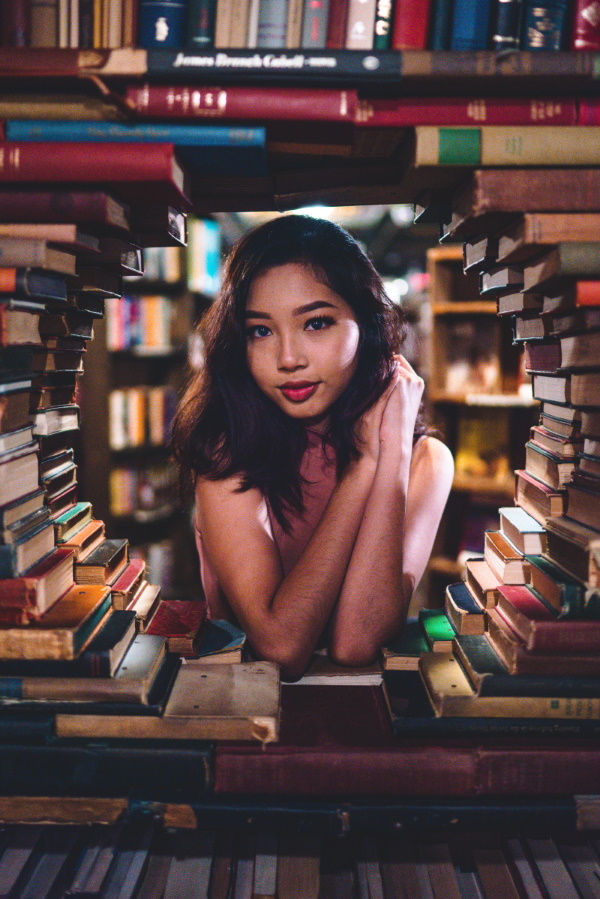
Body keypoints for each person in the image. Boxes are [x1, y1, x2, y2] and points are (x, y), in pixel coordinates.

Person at [172, 214, 454, 680]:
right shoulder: (228, 450)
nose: (288, 359)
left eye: (316, 323)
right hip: (237, 716)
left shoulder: (425, 461)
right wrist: (363, 465)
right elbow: (281, 647)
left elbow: (356, 642)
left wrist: (393, 453)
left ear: (366, 325)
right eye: (260, 331)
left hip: (363, 732)